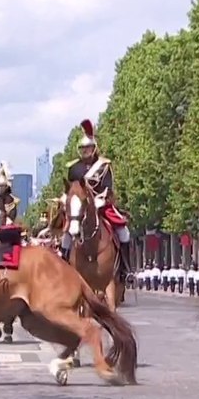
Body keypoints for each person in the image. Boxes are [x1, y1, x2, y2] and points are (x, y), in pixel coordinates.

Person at [61, 119, 132, 283]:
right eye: (82, 148)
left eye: (88, 148)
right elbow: (69, 188)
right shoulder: (73, 168)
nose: (85, 151)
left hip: (101, 205)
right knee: (67, 233)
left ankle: (125, 270)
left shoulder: (104, 165)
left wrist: (98, 201)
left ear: (94, 148)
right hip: (79, 207)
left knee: (124, 233)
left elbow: (107, 188)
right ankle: (64, 264)